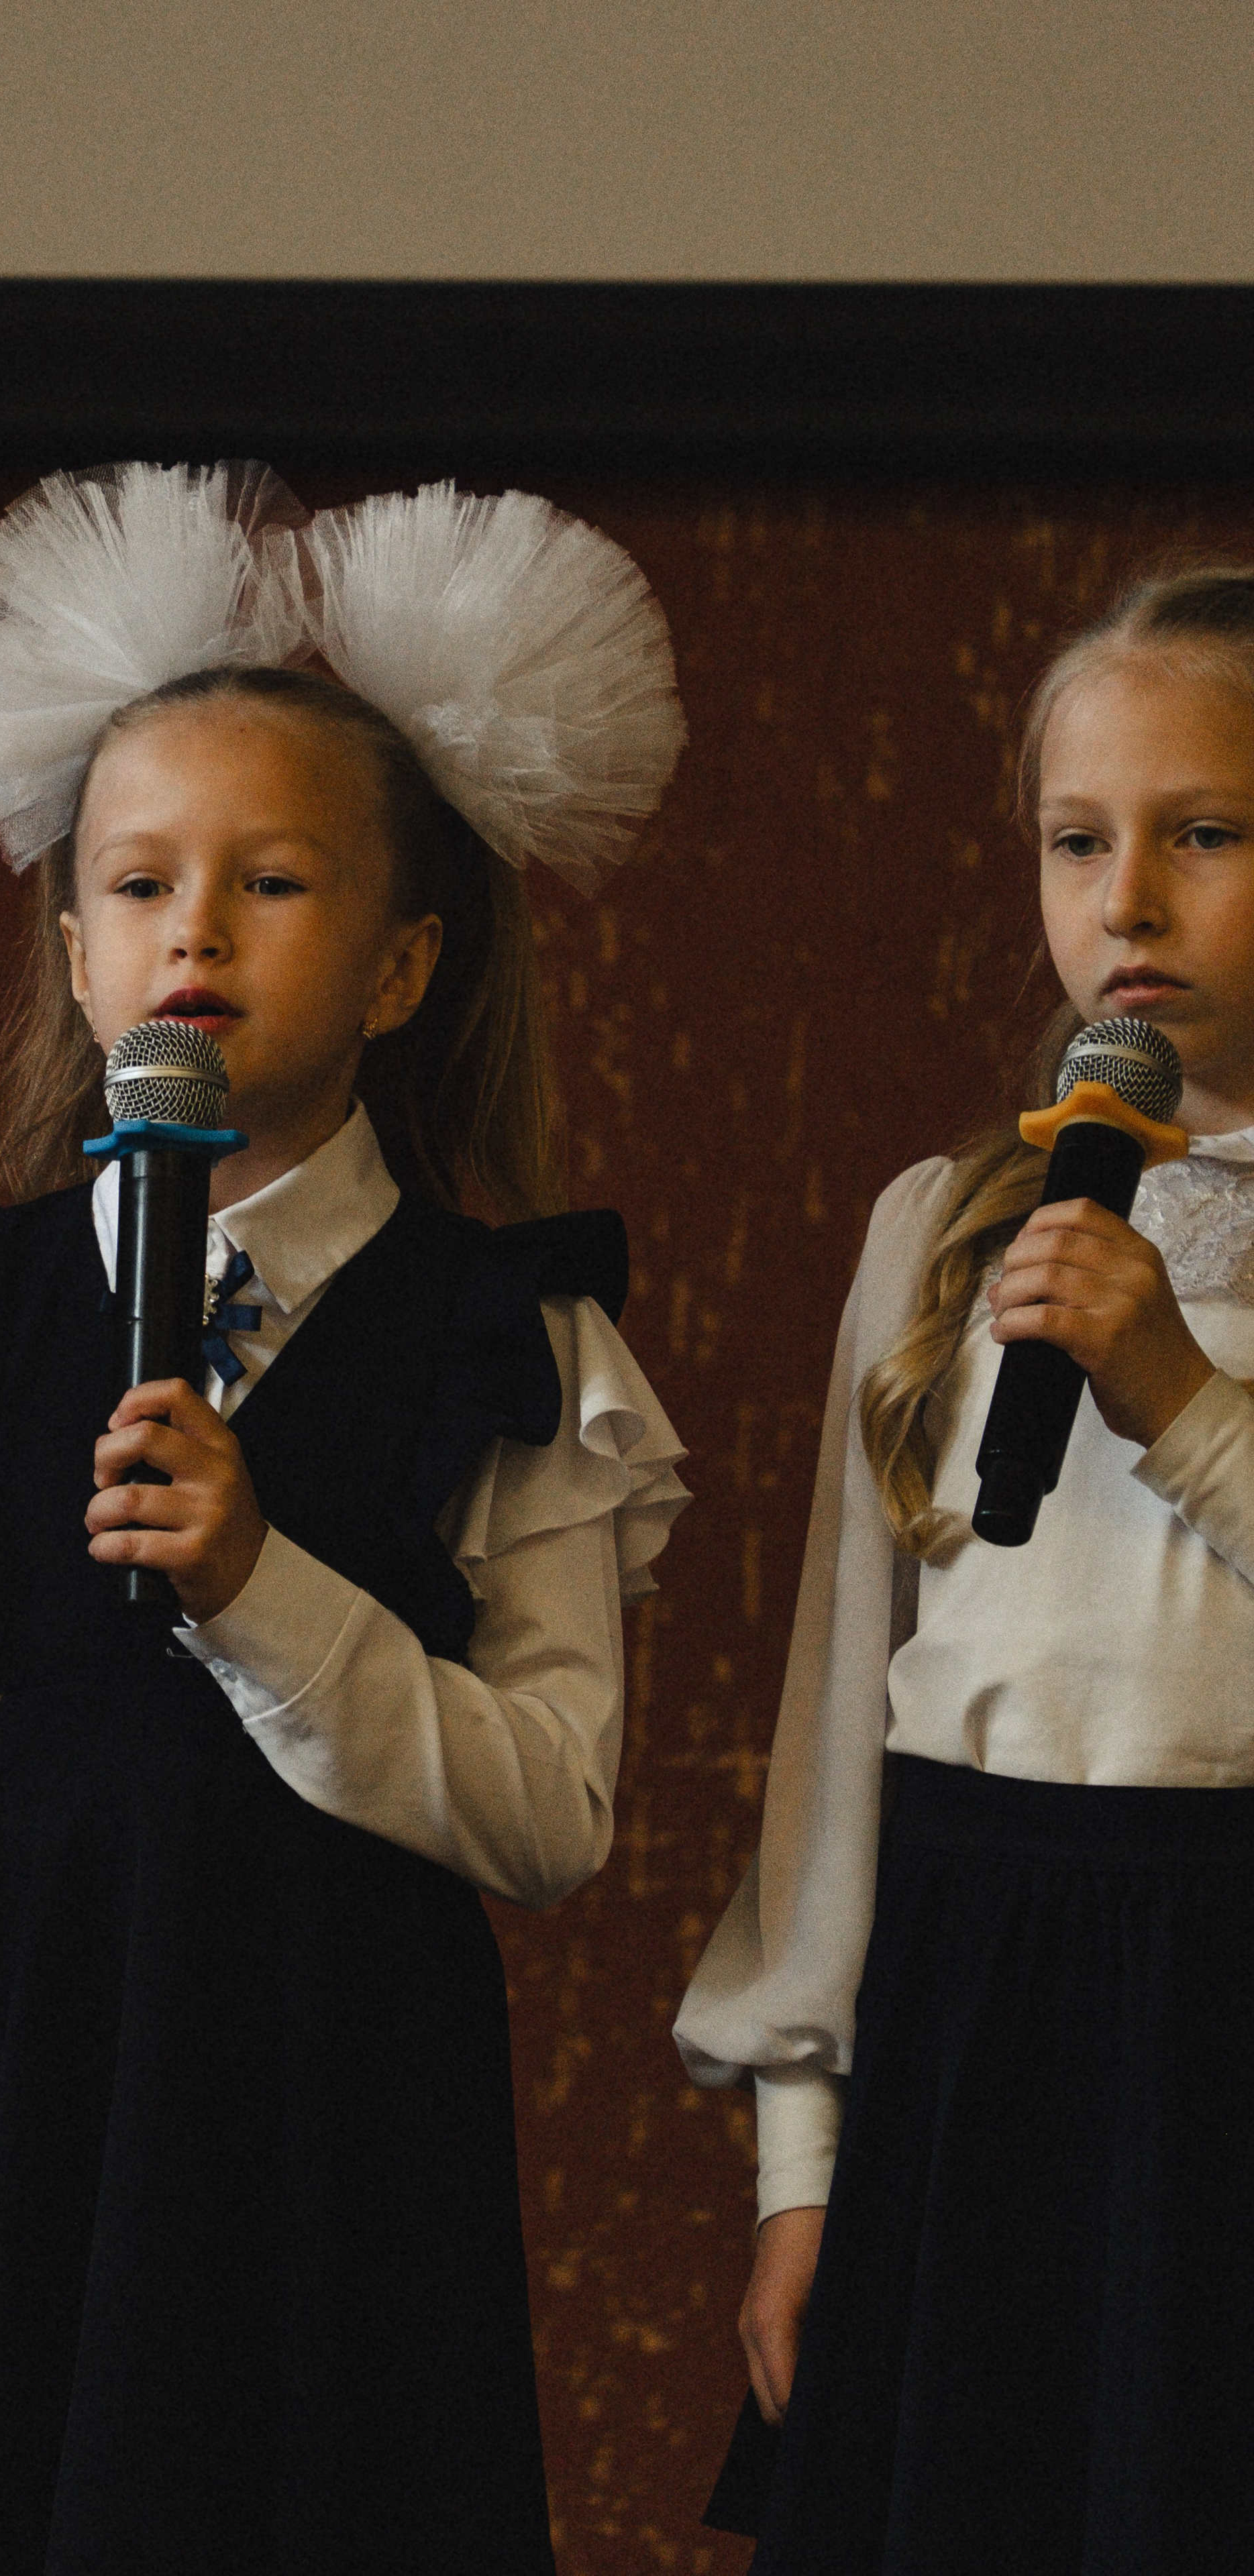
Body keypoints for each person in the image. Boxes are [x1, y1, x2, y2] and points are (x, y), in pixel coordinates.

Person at [0, 462, 690, 2575]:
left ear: (404, 960)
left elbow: (551, 1810)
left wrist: (272, 1593)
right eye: (142, 882)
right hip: (8, 2159)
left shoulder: (506, 1346)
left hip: (334, 2173)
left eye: (271, 884)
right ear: (73, 947)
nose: (195, 931)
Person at [674, 564, 1254, 2574]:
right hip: (979, 1981)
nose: (1132, 903)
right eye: (1079, 841)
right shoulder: (947, 1222)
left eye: (1206, 836)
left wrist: (1171, 1382)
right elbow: (840, 1708)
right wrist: (800, 2157)